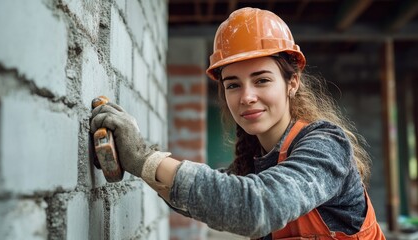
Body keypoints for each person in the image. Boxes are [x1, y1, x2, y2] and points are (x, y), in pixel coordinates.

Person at [91, 7, 386, 239]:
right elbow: (204, 197)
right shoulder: (256, 162)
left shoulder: (326, 145)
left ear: (292, 83)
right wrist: (133, 157)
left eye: (261, 80)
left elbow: (257, 207)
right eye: (233, 85)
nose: (247, 96)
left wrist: (144, 158)